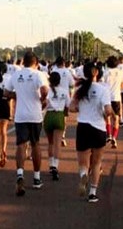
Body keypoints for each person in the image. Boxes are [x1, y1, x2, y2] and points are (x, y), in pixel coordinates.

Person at [5, 51, 48, 196]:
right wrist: (42, 99)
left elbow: (6, 93)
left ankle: (20, 174)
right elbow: (44, 90)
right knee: (35, 144)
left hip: (20, 115)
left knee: (21, 144)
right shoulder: (38, 74)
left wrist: (17, 95)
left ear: (23, 62)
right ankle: (36, 177)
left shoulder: (16, 75)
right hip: (35, 115)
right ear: (36, 63)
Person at [69, 61, 113, 203]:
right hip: (98, 128)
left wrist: (81, 109)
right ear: (98, 73)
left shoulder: (80, 89)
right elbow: (108, 110)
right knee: (96, 162)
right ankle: (93, 193)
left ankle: (83, 174)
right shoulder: (103, 90)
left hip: (83, 127)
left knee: (83, 162)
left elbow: (71, 107)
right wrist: (108, 114)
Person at [44, 70, 69, 181]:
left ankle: (50, 165)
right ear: (60, 81)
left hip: (49, 115)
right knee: (57, 144)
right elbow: (68, 105)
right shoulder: (64, 91)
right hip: (59, 115)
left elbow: (44, 103)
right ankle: (55, 165)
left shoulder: (48, 91)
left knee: (50, 143)